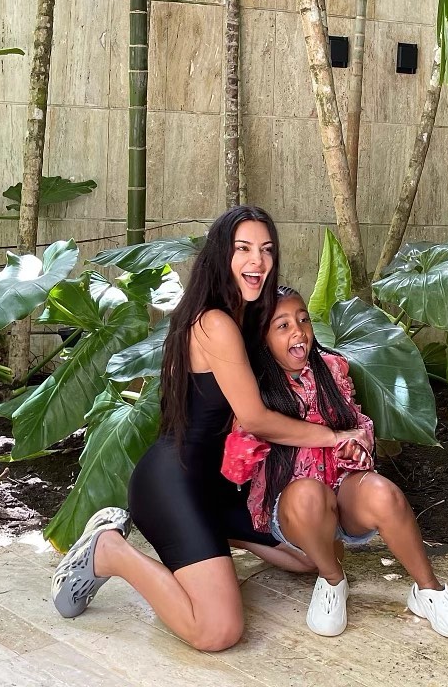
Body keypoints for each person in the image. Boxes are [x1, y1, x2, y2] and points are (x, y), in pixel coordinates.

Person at [50, 207, 370, 652]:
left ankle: (215, 537)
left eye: (266, 249)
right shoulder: (213, 322)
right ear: (221, 254)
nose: (257, 261)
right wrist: (335, 438)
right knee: (217, 631)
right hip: (174, 481)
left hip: (221, 488)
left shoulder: (250, 316)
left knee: (314, 555)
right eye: (243, 249)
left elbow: (304, 377)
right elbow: (256, 419)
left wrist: (352, 426)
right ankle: (109, 550)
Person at [221, 286, 448, 639]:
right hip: (294, 509)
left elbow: (358, 424)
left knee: (384, 493)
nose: (299, 331)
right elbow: (237, 468)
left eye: (303, 320)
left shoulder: (332, 368)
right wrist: (247, 441)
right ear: (262, 338)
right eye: (283, 326)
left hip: (343, 490)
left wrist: (356, 446)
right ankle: (332, 580)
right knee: (308, 494)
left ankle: (428, 590)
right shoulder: (254, 387)